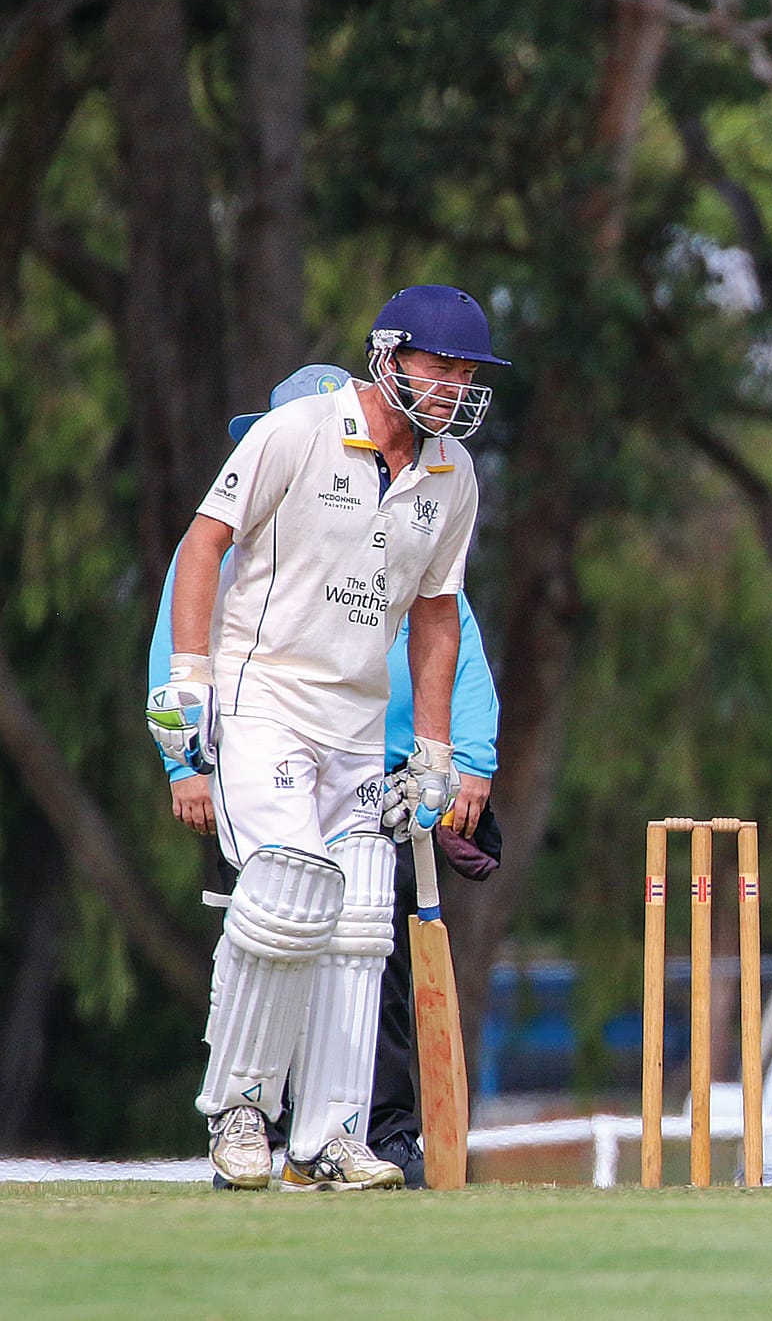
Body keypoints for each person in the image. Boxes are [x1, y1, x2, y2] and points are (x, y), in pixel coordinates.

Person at [145, 285, 508, 1188]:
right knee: (285, 890)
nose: (457, 387)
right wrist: (187, 679)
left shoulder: (453, 475)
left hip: (356, 719)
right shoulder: (298, 430)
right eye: (442, 365)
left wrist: (435, 750)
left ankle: (332, 1135)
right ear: (391, 354)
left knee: (361, 917)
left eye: (468, 374)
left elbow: (438, 615)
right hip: (264, 695)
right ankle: (240, 1110)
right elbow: (203, 543)